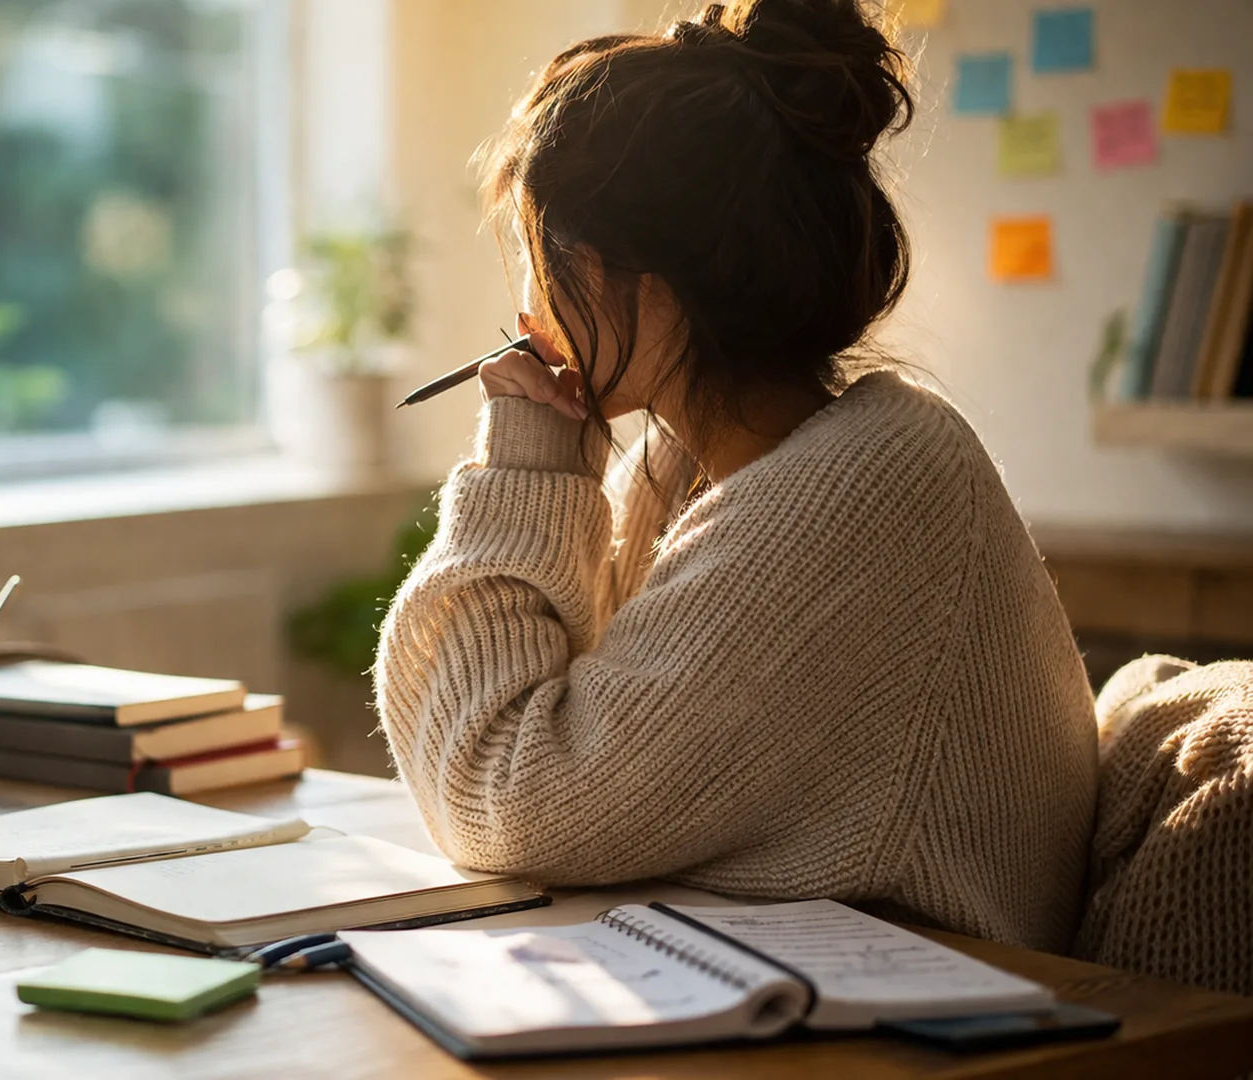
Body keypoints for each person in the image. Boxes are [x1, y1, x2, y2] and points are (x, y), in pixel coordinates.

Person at [375, 0, 1097, 953]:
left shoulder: (864, 487)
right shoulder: (697, 464)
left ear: (625, 277)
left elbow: (505, 798)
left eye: (542, 260)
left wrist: (524, 470)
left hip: (939, 1031)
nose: (527, 305)